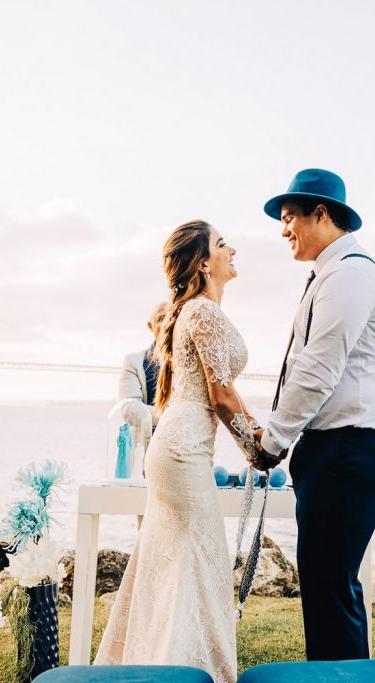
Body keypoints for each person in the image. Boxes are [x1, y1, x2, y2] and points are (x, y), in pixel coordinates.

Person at [95, 220, 273, 683]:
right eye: (222, 244)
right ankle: (196, 672)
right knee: (202, 563)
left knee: (178, 568)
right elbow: (222, 396)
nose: (232, 249)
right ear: (203, 262)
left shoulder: (191, 311)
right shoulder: (203, 312)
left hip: (179, 447)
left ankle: (163, 668)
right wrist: (259, 447)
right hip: (183, 452)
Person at [256, 168, 375, 661]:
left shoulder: (349, 275)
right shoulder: (333, 273)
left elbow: (318, 369)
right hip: (338, 447)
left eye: (289, 217)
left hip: (349, 447)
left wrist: (272, 441)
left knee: (330, 586)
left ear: (321, 213)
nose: (283, 230)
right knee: (328, 584)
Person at [117, 301, 166, 436]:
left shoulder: (192, 361)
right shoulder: (133, 362)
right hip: (147, 446)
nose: (168, 322)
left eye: (173, 317)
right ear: (150, 326)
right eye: (162, 318)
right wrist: (175, 417)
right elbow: (129, 410)